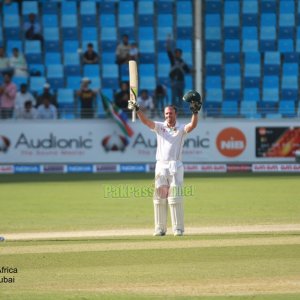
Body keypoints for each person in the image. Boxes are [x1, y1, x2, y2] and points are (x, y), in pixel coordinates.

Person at [128, 90, 202, 236]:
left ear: (176, 114)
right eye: (166, 113)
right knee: (160, 198)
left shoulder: (181, 128)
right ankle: (160, 228)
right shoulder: (160, 126)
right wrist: (137, 109)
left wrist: (195, 113)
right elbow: (146, 121)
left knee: (175, 198)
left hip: (175, 166)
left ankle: (178, 228)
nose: (168, 116)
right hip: (161, 166)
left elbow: (192, 126)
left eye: (171, 113)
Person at [166, 38, 191, 111]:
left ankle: (180, 110)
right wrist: (168, 43)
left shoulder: (183, 62)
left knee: (181, 97)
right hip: (174, 81)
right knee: (174, 97)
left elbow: (187, 71)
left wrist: (192, 71)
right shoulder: (173, 60)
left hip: (181, 81)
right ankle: (174, 110)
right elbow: (169, 52)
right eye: (177, 53)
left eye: (179, 53)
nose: (178, 54)